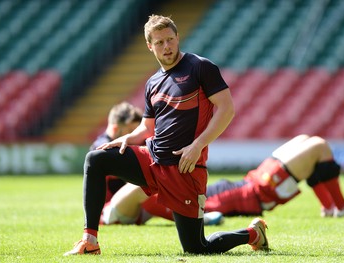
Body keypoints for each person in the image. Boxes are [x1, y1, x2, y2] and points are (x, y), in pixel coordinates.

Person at [64, 15, 268, 256]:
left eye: (170, 39)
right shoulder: (153, 82)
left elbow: (227, 109)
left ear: (178, 37)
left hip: (185, 167)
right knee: (96, 159)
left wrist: (197, 145)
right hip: (152, 159)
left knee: (196, 248)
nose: (167, 46)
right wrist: (129, 138)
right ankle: (89, 241)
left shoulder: (200, 67)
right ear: (150, 46)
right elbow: (147, 128)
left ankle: (253, 234)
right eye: (159, 43)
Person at [102, 134, 344, 224]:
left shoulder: (161, 191)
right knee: (318, 145)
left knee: (307, 140)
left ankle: (331, 207)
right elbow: (117, 211)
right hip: (256, 193)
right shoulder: (158, 197)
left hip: (250, 182)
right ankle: (340, 208)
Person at [93, 101, 223, 225]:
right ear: (116, 128)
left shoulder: (124, 145)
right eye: (130, 131)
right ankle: (198, 217)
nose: (134, 138)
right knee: (145, 182)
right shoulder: (100, 149)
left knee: (156, 181)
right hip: (108, 212)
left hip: (137, 209)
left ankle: (194, 215)